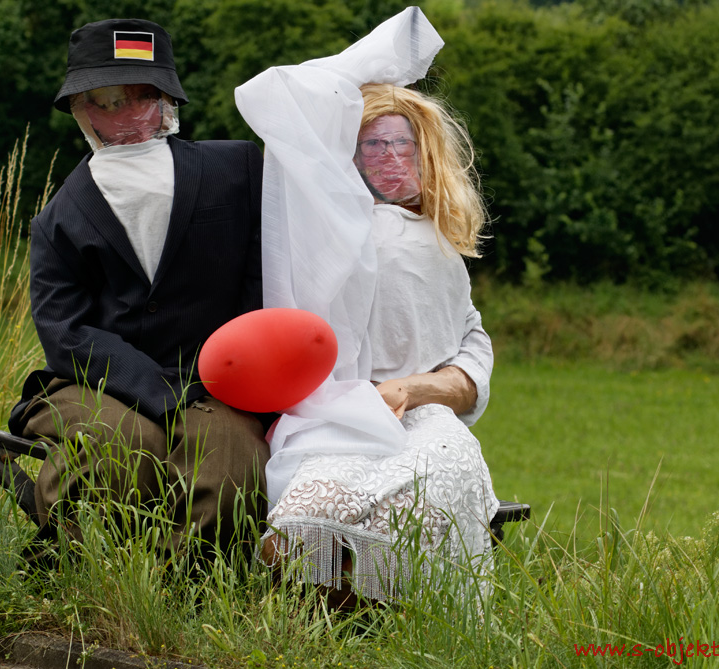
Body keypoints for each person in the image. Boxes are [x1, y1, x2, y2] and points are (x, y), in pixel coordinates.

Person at [235, 7, 497, 606]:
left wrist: (418, 389)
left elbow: (470, 347)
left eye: (403, 145)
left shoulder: (438, 243)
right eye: (371, 145)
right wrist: (363, 67)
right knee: (308, 519)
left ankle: (389, 615)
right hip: (335, 413)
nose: (389, 159)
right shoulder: (331, 229)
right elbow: (282, 94)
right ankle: (316, 619)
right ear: (344, 156)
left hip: (425, 424)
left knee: (432, 490)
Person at [8, 18, 269, 558]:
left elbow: (264, 281)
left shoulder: (239, 170)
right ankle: (92, 580)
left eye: (141, 96)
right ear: (80, 108)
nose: (124, 114)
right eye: (105, 99)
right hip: (100, 385)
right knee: (119, 449)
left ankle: (184, 594)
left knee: (231, 468)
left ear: (167, 99)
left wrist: (237, 375)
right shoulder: (59, 218)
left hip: (217, 381)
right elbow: (65, 331)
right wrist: (155, 392)